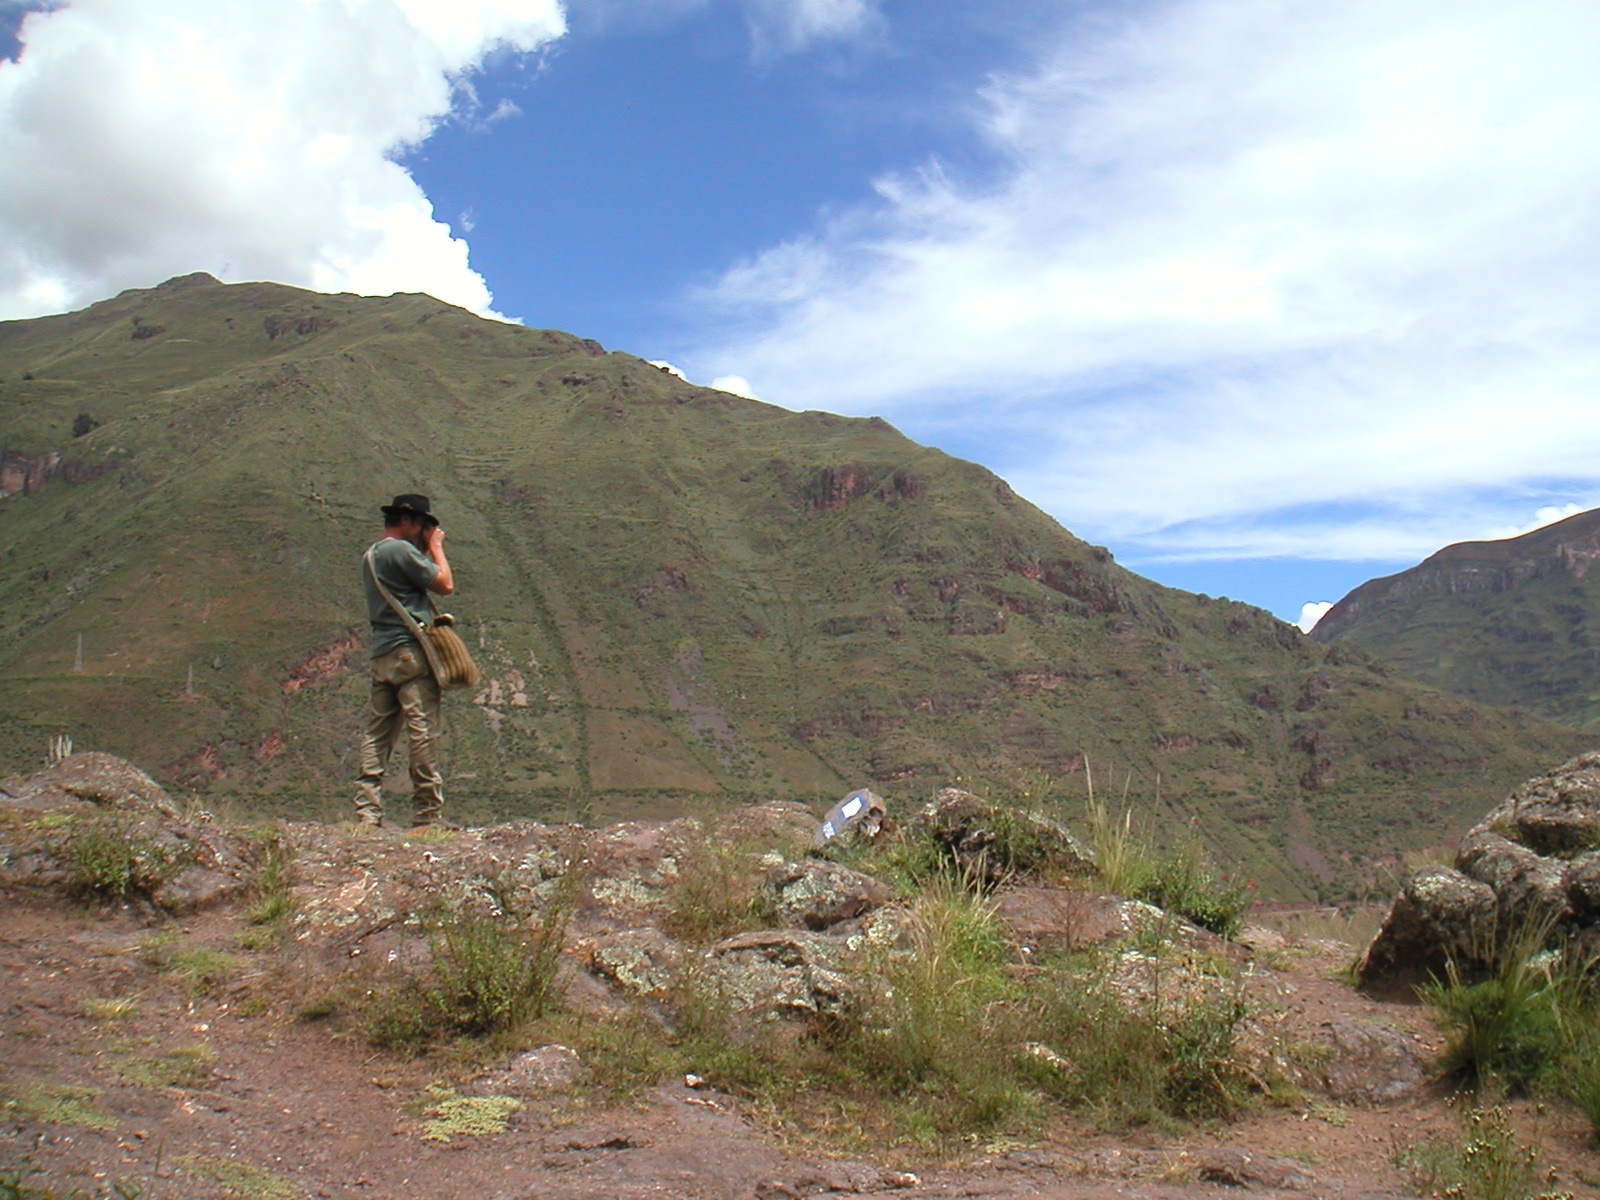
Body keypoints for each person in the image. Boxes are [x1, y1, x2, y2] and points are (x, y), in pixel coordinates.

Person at [353, 493, 455, 828]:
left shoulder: (374, 554)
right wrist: (436, 546)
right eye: (423, 524)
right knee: (422, 731)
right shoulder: (400, 550)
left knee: (378, 733)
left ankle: (367, 812)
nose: (426, 531)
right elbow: (444, 584)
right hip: (410, 653)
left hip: (383, 654)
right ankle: (427, 815)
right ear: (408, 520)